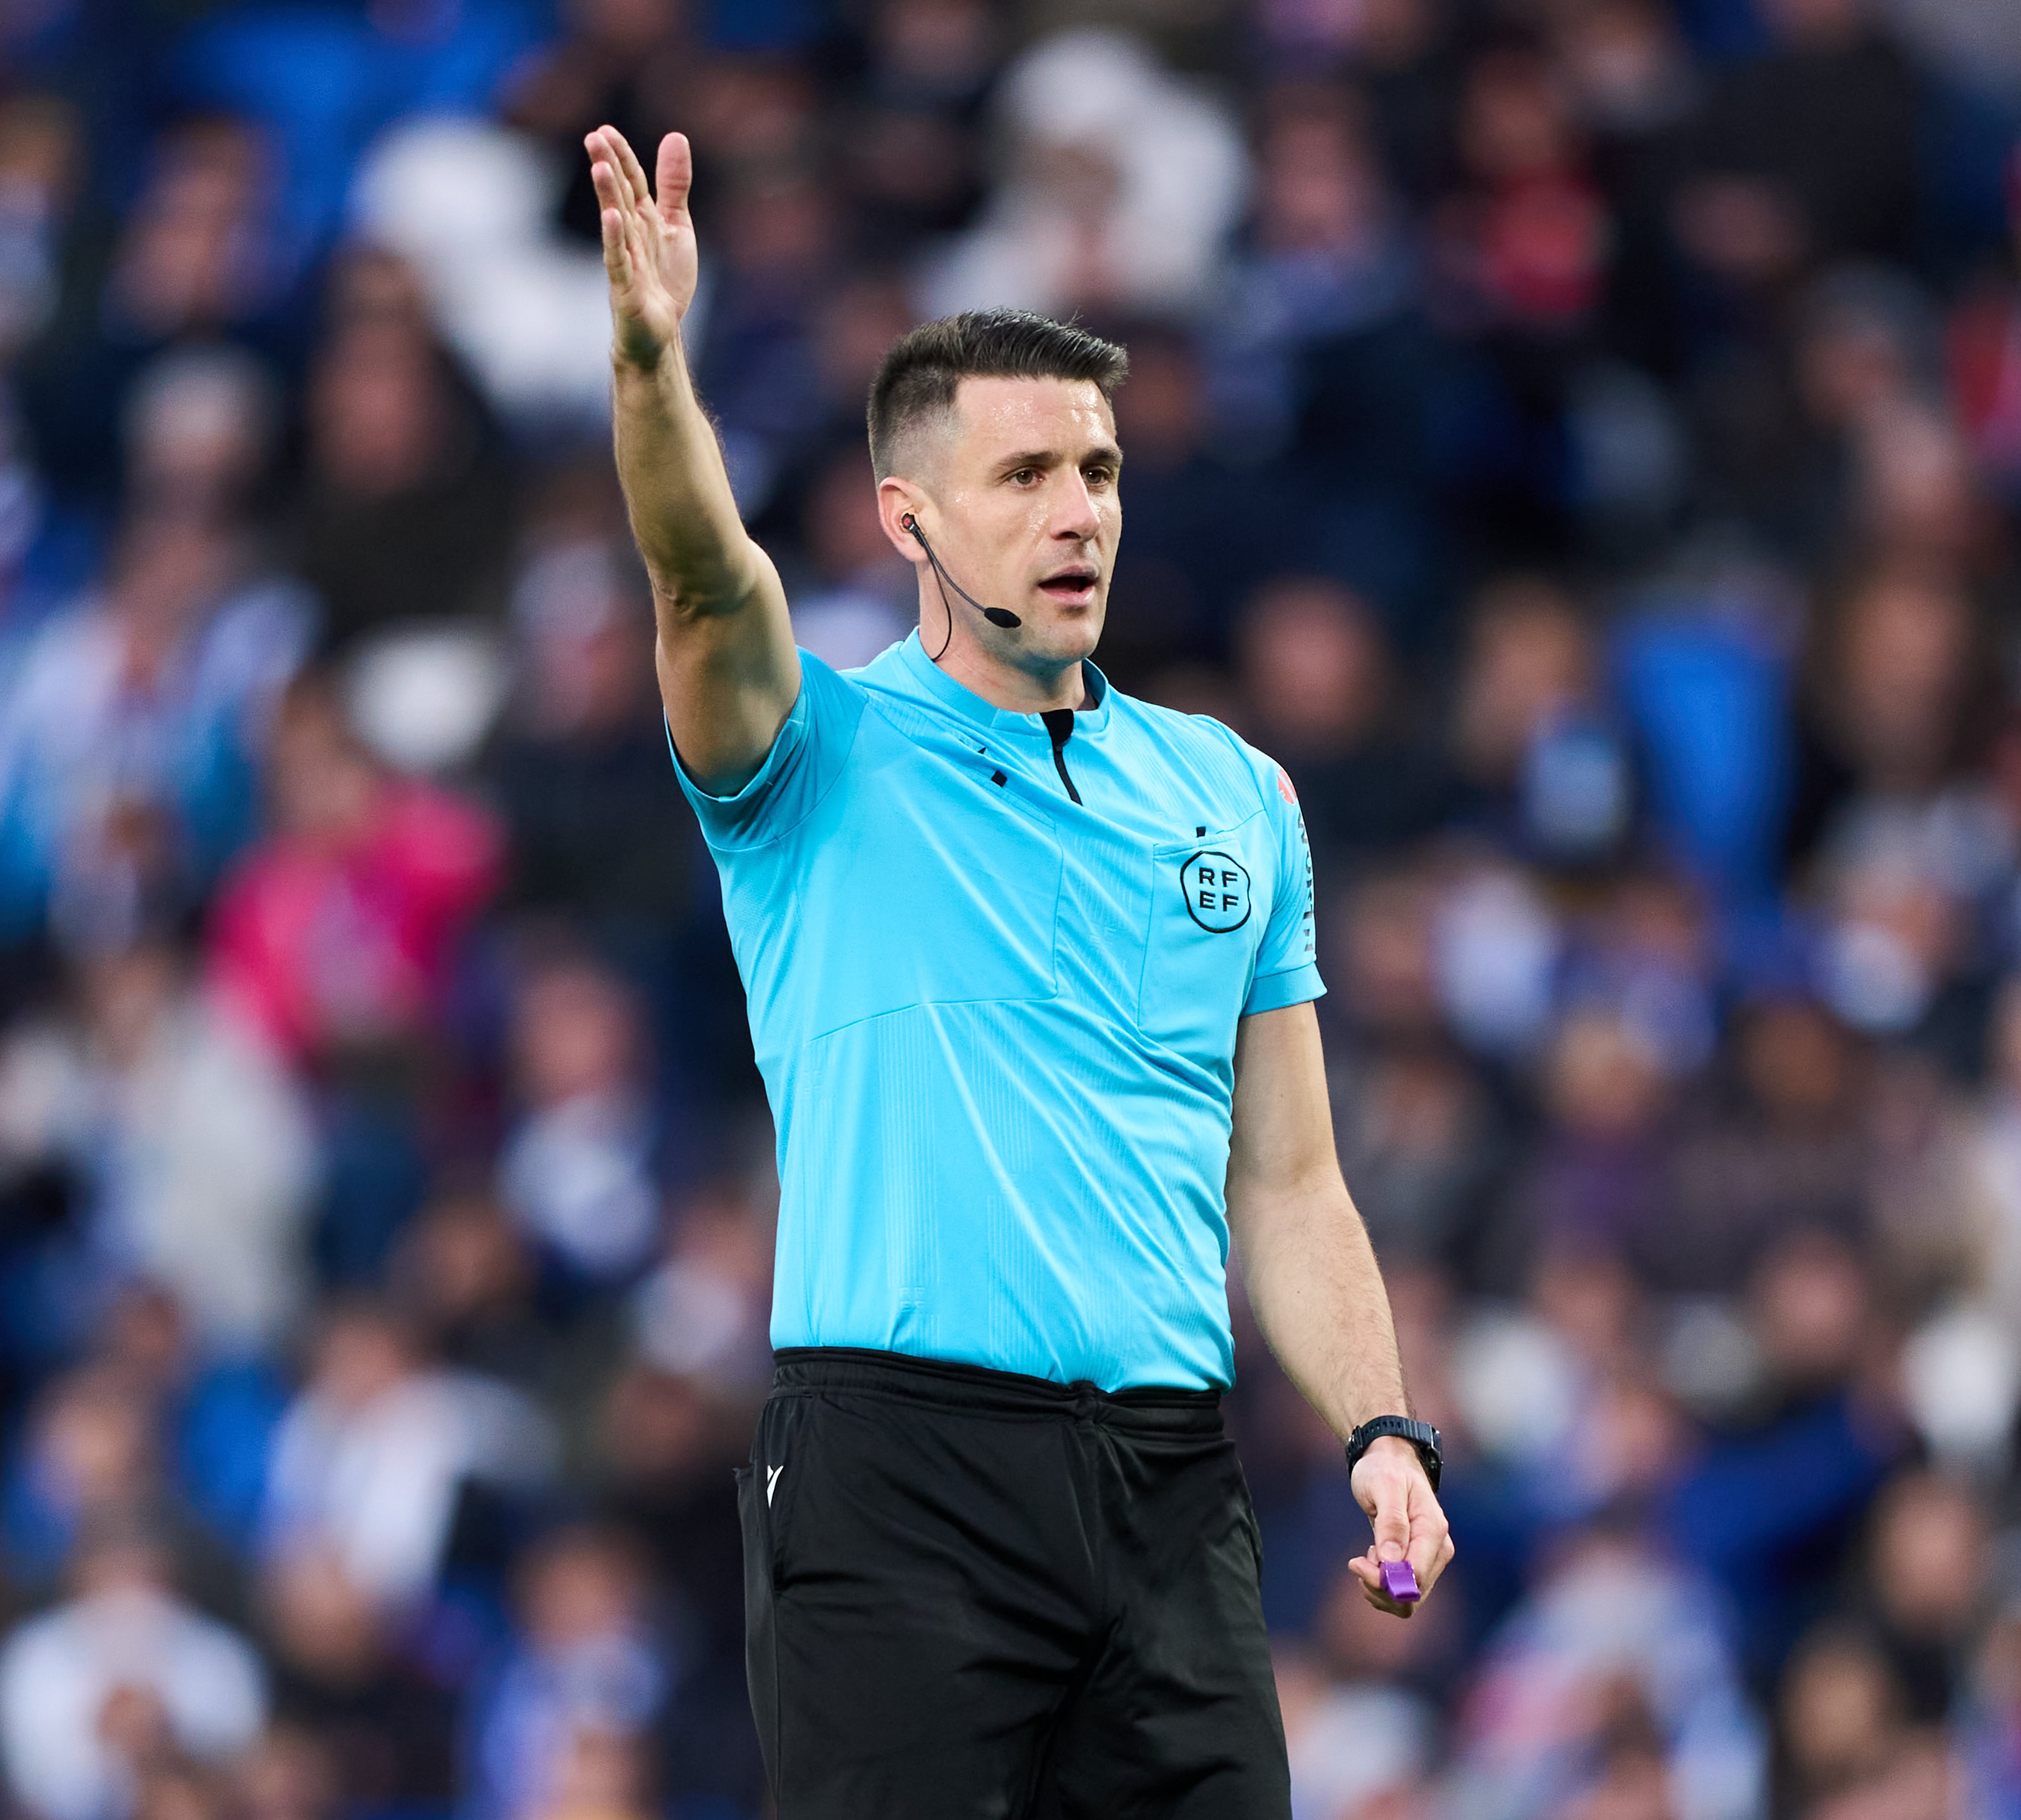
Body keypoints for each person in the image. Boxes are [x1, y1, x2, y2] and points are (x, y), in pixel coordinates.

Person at [584, 123, 1453, 1816]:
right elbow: (700, 572)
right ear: (908, 518)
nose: (1077, 517)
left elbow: (1284, 1179)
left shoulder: (1237, 797)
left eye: (1101, 474)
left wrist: (1381, 1427)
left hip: (1169, 1482)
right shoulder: (810, 757)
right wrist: (646, 366)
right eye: (1024, 479)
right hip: (898, 1476)